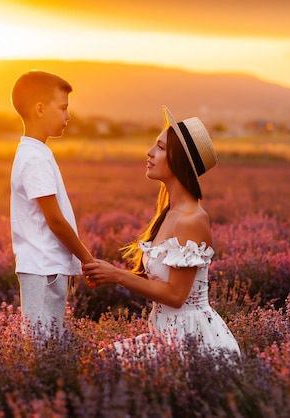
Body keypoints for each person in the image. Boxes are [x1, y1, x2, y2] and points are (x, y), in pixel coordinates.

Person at [83, 106, 240, 356]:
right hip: (168, 334)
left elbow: (176, 295)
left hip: (192, 341)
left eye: (160, 147)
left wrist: (116, 275)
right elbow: (162, 280)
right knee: (101, 364)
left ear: (179, 161)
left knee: (104, 363)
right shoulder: (168, 213)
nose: (149, 152)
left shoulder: (191, 219)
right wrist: (105, 272)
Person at [10, 70, 93, 334]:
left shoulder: (37, 153)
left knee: (47, 343)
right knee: (41, 348)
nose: (68, 116)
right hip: (43, 268)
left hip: (47, 267)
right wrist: (87, 260)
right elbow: (55, 219)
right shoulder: (34, 158)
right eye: (63, 108)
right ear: (40, 109)